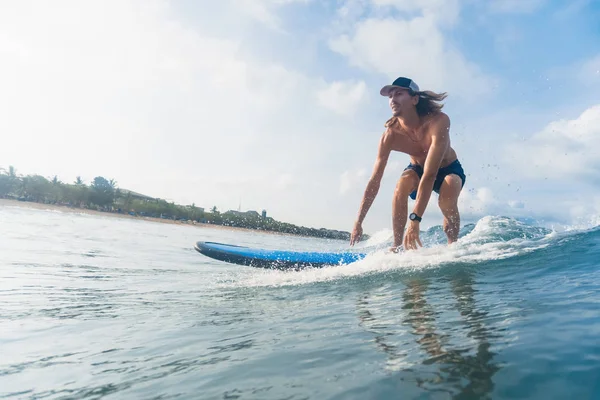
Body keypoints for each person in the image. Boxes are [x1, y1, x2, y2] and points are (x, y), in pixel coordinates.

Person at [349, 77, 466, 251]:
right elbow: (375, 180)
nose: (392, 100)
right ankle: (396, 247)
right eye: (390, 96)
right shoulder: (390, 135)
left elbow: (430, 174)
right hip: (417, 169)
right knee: (401, 186)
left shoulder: (438, 121)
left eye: (399, 94)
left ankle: (453, 247)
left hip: (447, 168)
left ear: (414, 99)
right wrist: (358, 221)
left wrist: (415, 220)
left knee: (447, 197)